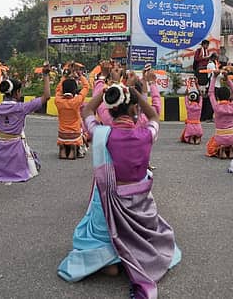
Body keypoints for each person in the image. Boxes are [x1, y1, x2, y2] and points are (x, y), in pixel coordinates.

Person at [57, 76, 181, 297]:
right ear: (134, 108)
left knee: (97, 213)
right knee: (154, 235)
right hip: (140, 204)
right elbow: (153, 115)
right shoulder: (146, 134)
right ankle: (136, 255)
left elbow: (86, 111)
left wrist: (103, 88)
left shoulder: (102, 134)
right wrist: (136, 94)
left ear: (109, 110)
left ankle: (108, 260)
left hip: (109, 201)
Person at [0, 67, 50, 182]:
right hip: (16, 148)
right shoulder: (22, 107)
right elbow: (46, 97)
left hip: (0, 148)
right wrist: (45, 75)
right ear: (16, 93)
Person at [55, 70, 90, 160]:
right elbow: (86, 87)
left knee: (64, 136)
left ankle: (62, 149)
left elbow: (58, 90)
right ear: (75, 90)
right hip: (74, 134)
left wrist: (64, 77)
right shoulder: (77, 100)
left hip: (62, 134)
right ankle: (73, 149)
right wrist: (80, 76)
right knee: (82, 131)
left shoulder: (58, 101)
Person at [205, 70, 233, 159]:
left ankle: (221, 148)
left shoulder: (217, 107)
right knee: (230, 139)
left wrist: (214, 77)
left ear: (218, 97)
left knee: (210, 147)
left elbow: (210, 93)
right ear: (229, 96)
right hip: (232, 137)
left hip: (220, 137)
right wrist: (227, 79)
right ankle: (230, 147)